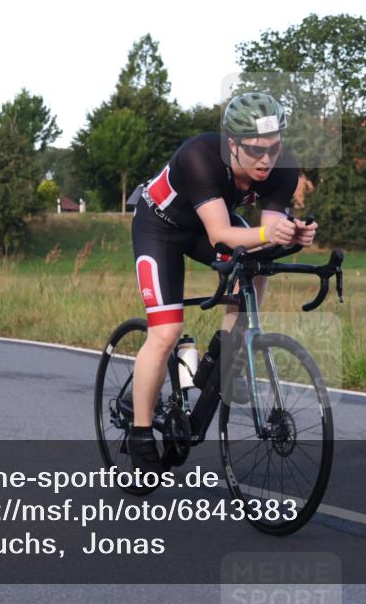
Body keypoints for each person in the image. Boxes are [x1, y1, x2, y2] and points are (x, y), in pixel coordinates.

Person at [127, 92, 317, 475]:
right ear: (233, 143)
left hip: (205, 227)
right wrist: (271, 232)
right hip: (160, 229)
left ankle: (225, 355)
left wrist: (292, 235)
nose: (266, 160)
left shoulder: (283, 169)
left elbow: (264, 236)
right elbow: (220, 233)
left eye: (275, 148)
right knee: (167, 333)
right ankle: (140, 432)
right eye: (255, 150)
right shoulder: (199, 155)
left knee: (258, 263)